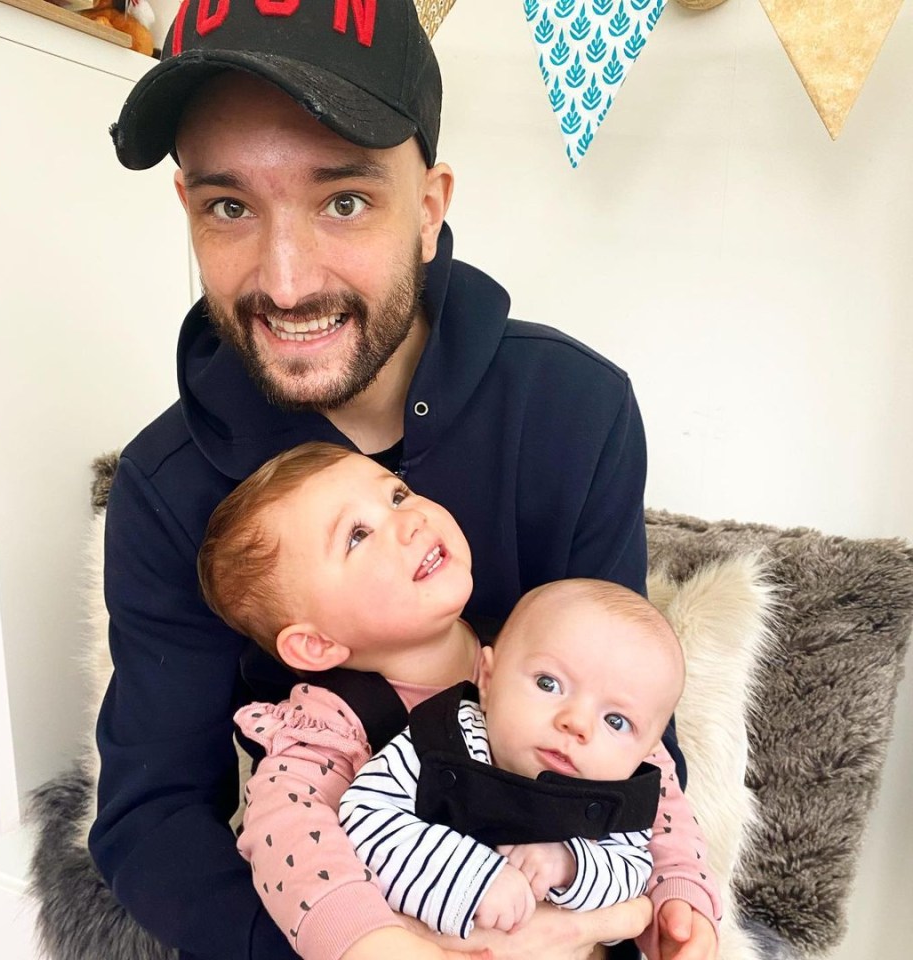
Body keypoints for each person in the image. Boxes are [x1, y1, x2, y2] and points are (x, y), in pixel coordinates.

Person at [90, 2, 698, 959]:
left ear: (427, 208)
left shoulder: (578, 414)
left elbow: (633, 728)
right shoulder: (165, 489)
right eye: (231, 206)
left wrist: (633, 913)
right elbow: (151, 817)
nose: (285, 285)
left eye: (343, 200)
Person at [198, 442, 720, 960]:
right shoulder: (331, 726)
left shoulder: (546, 649)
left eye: (398, 496)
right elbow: (287, 836)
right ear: (317, 644)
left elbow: (650, 781)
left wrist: (679, 888)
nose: (410, 522)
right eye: (357, 535)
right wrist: (370, 942)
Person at [339, 578, 689, 939]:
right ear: (488, 680)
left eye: (616, 721)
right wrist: (473, 877)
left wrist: (568, 864)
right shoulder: (441, 743)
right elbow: (362, 819)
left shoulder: (618, 799)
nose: (576, 723)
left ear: (646, 751)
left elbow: (632, 873)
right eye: (548, 684)